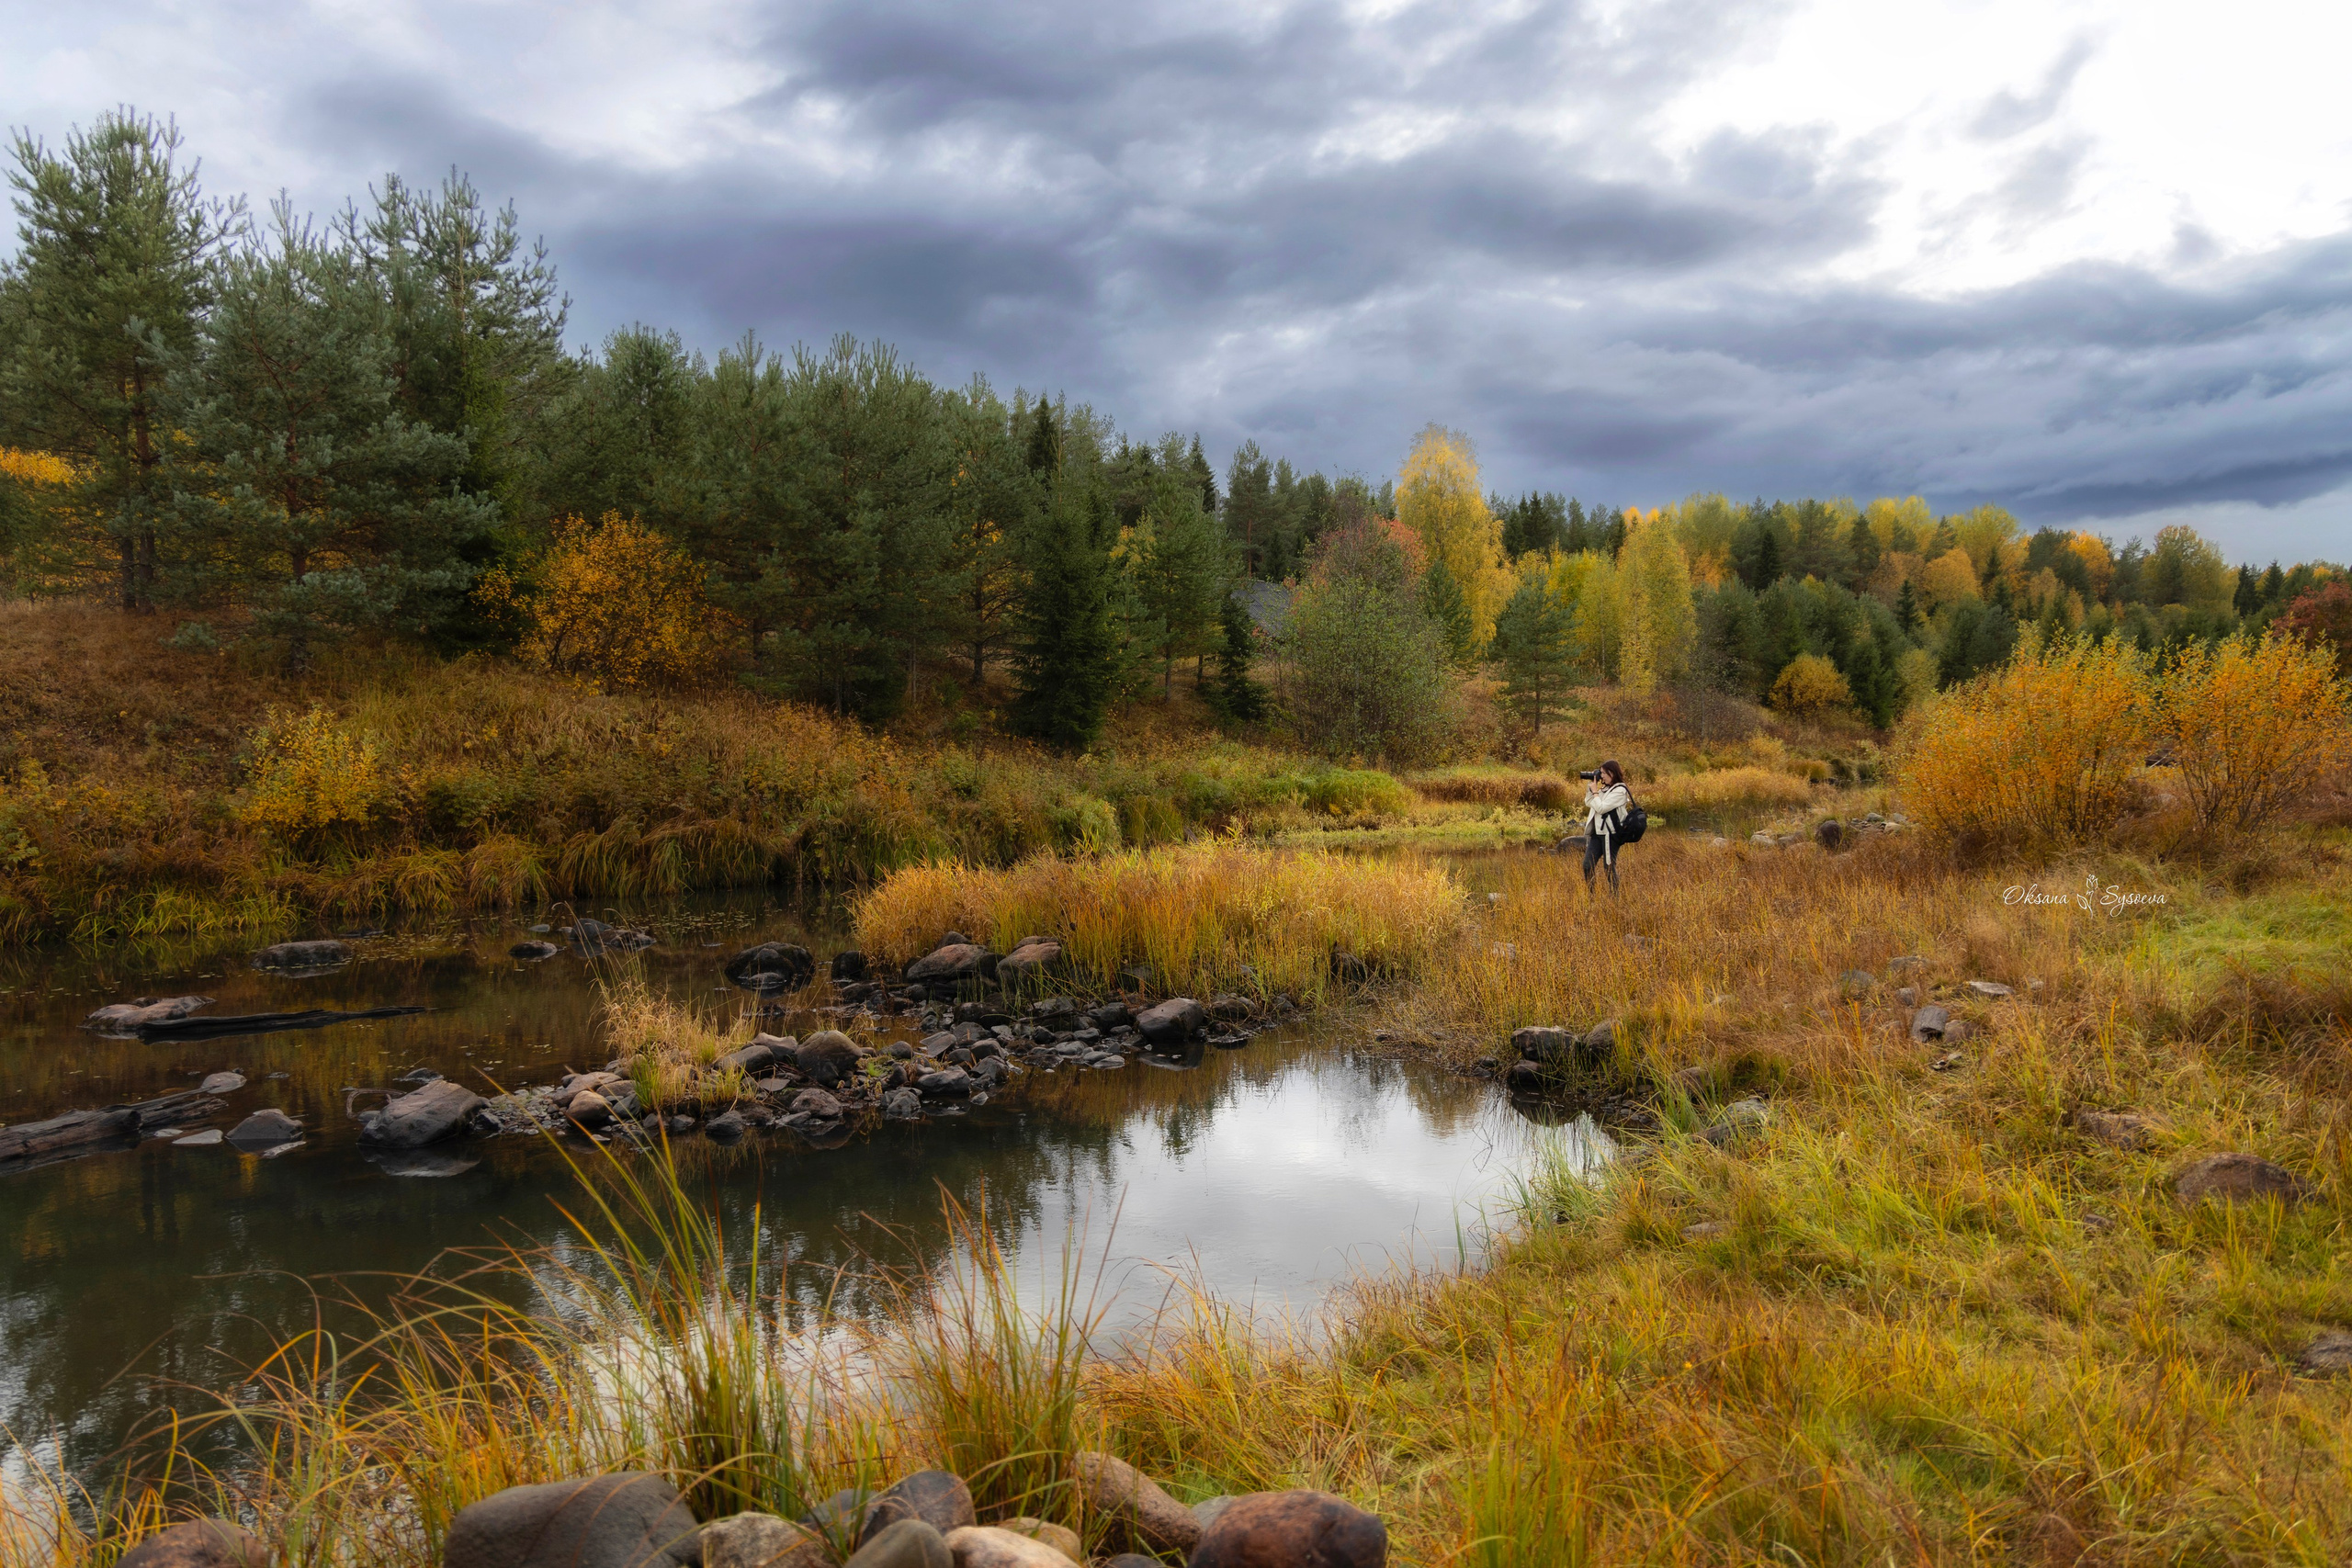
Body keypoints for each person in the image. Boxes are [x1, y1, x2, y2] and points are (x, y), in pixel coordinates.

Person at [1580, 760, 1632, 897]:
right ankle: (1592, 896)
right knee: (1587, 865)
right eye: (1601, 773)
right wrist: (1591, 788)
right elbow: (1590, 802)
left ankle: (1615, 899)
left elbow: (1602, 808)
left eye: (1604, 773)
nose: (1602, 776)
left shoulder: (1620, 790)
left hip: (1610, 834)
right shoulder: (1604, 789)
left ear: (1612, 773)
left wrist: (1596, 793)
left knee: (1608, 868)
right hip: (1597, 834)